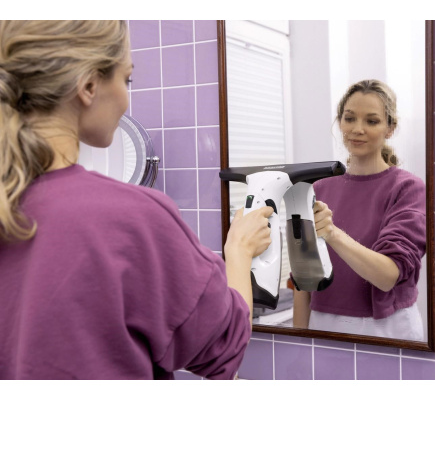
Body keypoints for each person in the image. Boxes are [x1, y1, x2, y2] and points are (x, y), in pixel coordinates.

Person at [0, 20, 273, 380]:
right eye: (126, 79)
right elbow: (224, 346)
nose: (126, 98)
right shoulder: (132, 218)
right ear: (89, 86)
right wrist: (239, 251)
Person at [292, 79, 426, 341]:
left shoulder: (407, 188)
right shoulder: (318, 188)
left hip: (386, 328)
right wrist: (300, 343)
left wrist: (332, 233)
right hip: (322, 323)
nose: (357, 129)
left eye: (372, 121)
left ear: (390, 128)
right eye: (349, 118)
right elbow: (302, 276)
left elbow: (388, 276)